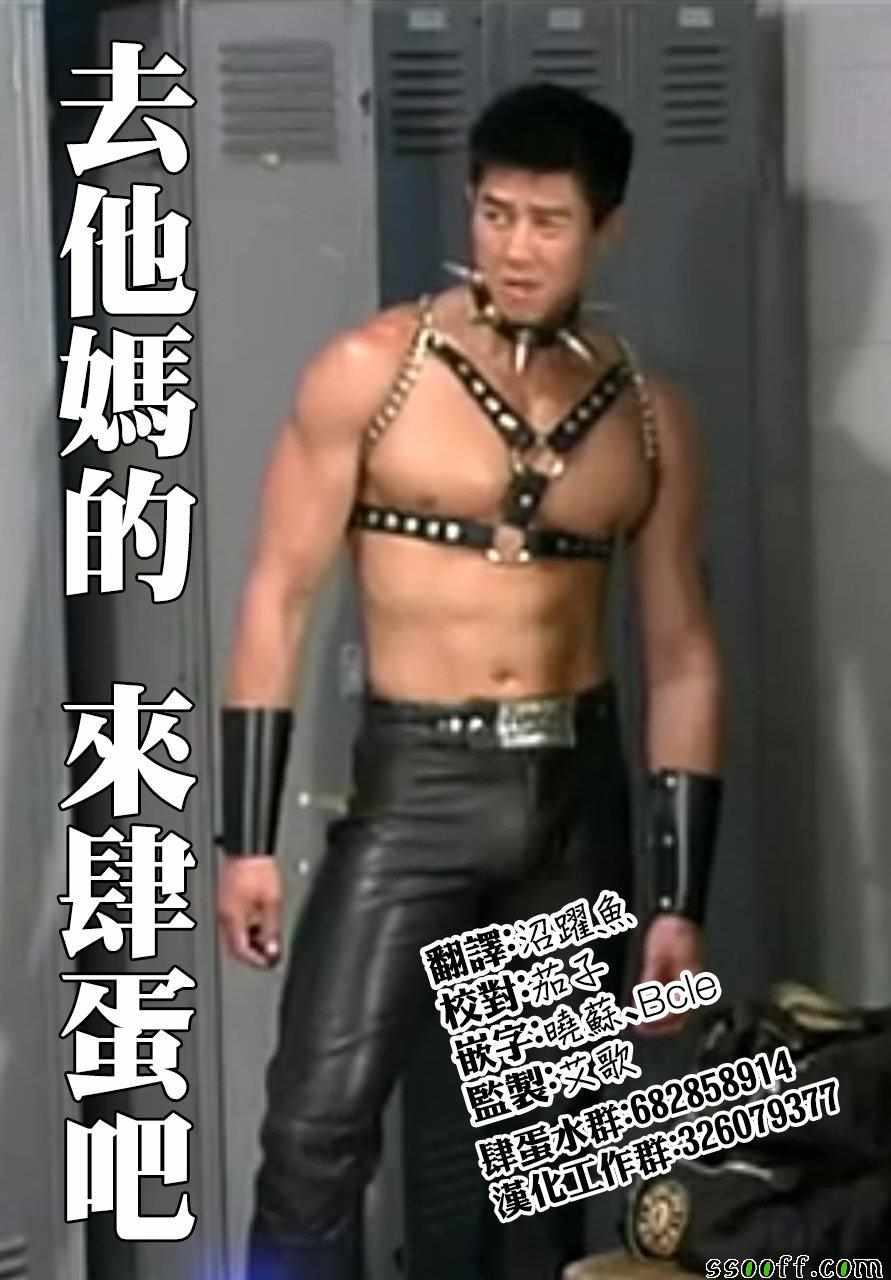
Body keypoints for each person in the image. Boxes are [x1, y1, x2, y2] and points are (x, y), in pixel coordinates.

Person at [216, 82, 724, 1280]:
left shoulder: (646, 417)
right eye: (496, 215)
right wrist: (245, 841)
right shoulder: (372, 371)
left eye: (549, 221)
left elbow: (682, 652)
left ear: (606, 229)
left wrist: (677, 896)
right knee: (314, 1134)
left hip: (571, 801)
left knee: (541, 1160)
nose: (516, 247)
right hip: (416, 792)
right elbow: (276, 597)